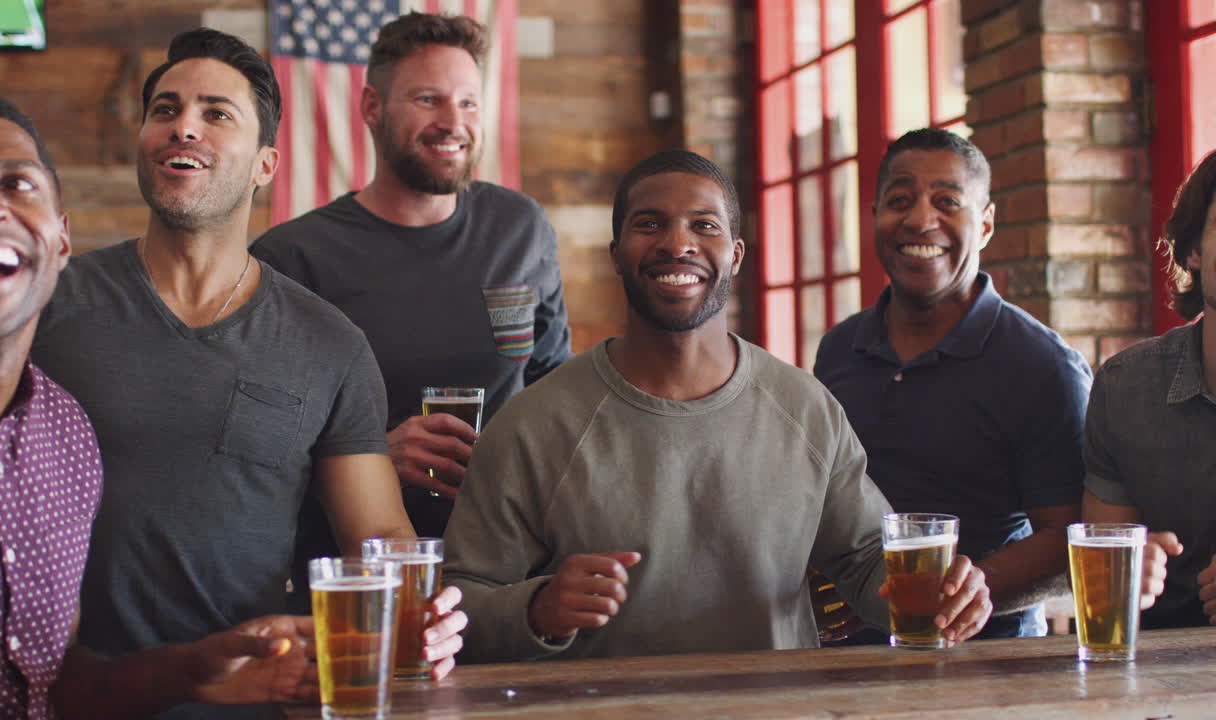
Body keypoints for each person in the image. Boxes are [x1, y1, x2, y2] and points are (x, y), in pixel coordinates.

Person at [29, 30, 464, 719]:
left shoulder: (331, 344)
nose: (184, 127)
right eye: (165, 110)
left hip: (256, 700)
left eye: (216, 113)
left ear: (266, 165)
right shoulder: (46, 304)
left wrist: (424, 614)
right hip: (68, 700)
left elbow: (379, 538)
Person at [441, 150, 992, 662]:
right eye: (649, 224)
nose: (677, 243)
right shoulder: (532, 424)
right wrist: (538, 610)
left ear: (735, 254)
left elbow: (867, 562)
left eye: (703, 225)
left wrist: (943, 598)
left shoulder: (806, 408)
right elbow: (459, 603)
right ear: (616, 255)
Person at [0, 88, 324, 719]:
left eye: (18, 184)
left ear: (61, 242)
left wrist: (193, 672)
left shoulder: (63, 433)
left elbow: (53, 686)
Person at [253, 11, 571, 539]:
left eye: (468, 102)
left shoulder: (521, 228)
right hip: (364, 567)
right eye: (429, 100)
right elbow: (262, 446)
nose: (453, 122)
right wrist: (369, 453)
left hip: (512, 556)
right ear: (372, 107)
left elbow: (553, 383)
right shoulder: (293, 257)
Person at [813, 128, 1091, 640]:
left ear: (984, 224)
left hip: (990, 666)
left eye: (947, 201)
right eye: (900, 201)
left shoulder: (1043, 365)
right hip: (848, 660)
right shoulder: (839, 349)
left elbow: (1070, 537)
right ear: (874, 217)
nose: (920, 219)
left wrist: (977, 586)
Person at [1081, 148, 1216, 629]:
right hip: (1158, 679)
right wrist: (1121, 582)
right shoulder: (1127, 388)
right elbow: (1102, 583)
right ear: (1195, 250)